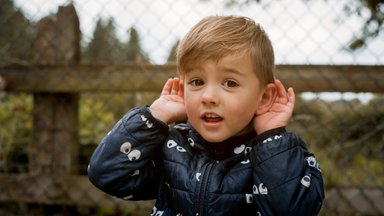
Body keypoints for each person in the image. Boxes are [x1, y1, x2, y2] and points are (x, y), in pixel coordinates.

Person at [88, 15, 324, 216]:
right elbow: (106, 174)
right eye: (197, 82)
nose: (208, 96)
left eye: (230, 83)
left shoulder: (278, 155)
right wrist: (155, 116)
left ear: (263, 98)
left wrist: (271, 137)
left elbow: (292, 210)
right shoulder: (170, 147)